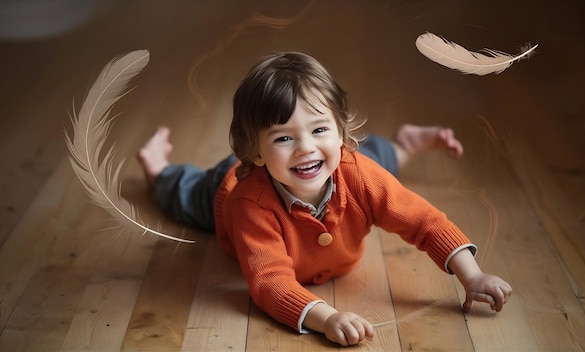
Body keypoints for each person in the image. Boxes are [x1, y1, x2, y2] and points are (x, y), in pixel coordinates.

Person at [137, 51, 512, 346]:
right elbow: (269, 282)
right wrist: (326, 317)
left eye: (319, 129)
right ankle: (157, 168)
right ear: (255, 151)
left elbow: (424, 221)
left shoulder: (352, 167)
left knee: (375, 164)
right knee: (182, 195)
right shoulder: (250, 206)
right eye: (283, 138)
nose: (305, 148)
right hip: (224, 188)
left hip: (347, 163)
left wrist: (472, 274)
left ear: (341, 131)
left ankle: (404, 145)